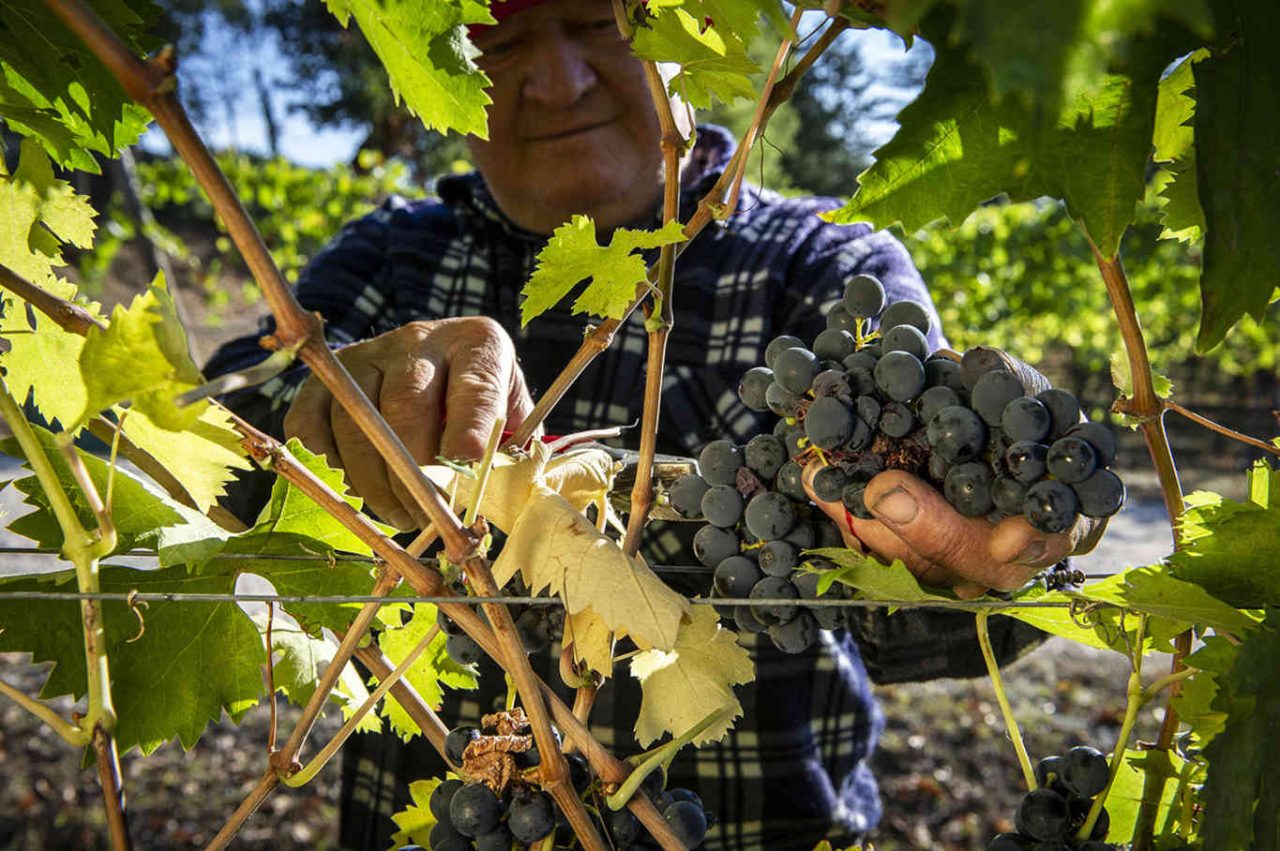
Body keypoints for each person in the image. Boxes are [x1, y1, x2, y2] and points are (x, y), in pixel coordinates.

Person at [205, 2, 1095, 847]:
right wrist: (319, 398)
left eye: (600, 21)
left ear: (684, 35)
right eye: (499, 44)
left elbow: (929, 613)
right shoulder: (389, 259)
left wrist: (982, 545)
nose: (557, 80)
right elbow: (202, 456)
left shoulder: (826, 263)